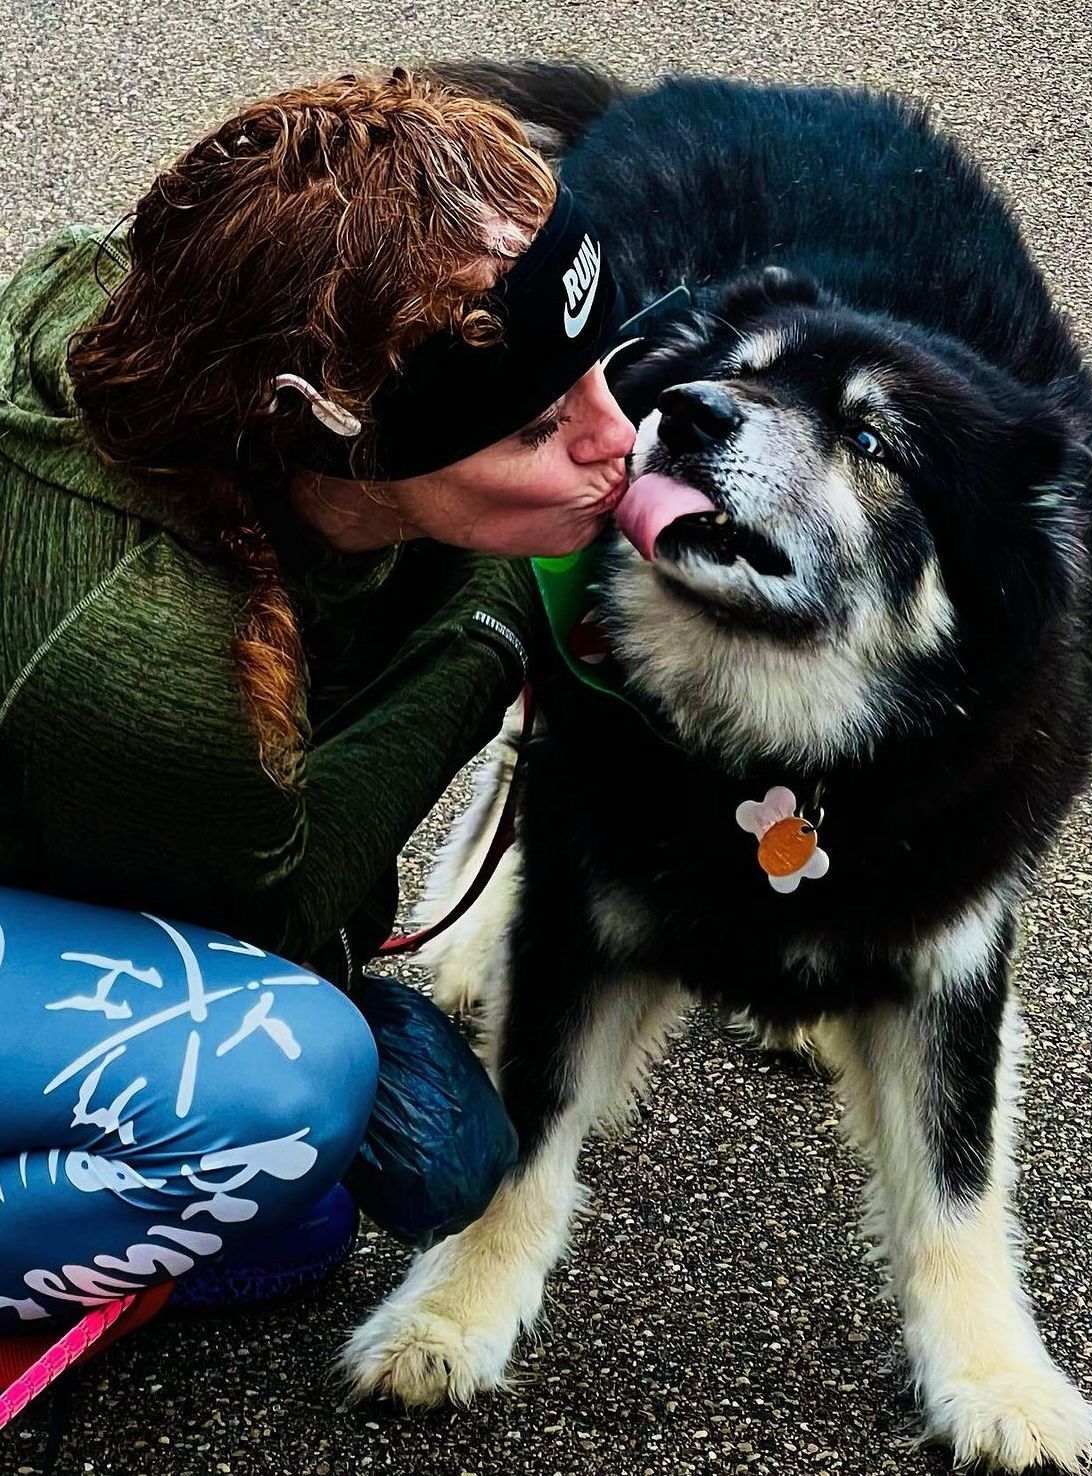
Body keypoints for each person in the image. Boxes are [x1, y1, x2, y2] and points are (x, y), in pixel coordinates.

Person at [0, 66, 635, 1331]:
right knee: (287, 1099)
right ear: (331, 434)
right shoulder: (145, 663)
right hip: (129, 787)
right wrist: (501, 619)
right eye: (534, 428)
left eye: (603, 367)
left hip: (104, 816)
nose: (618, 440)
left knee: (431, 1153)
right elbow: (287, 909)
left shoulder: (210, 316)